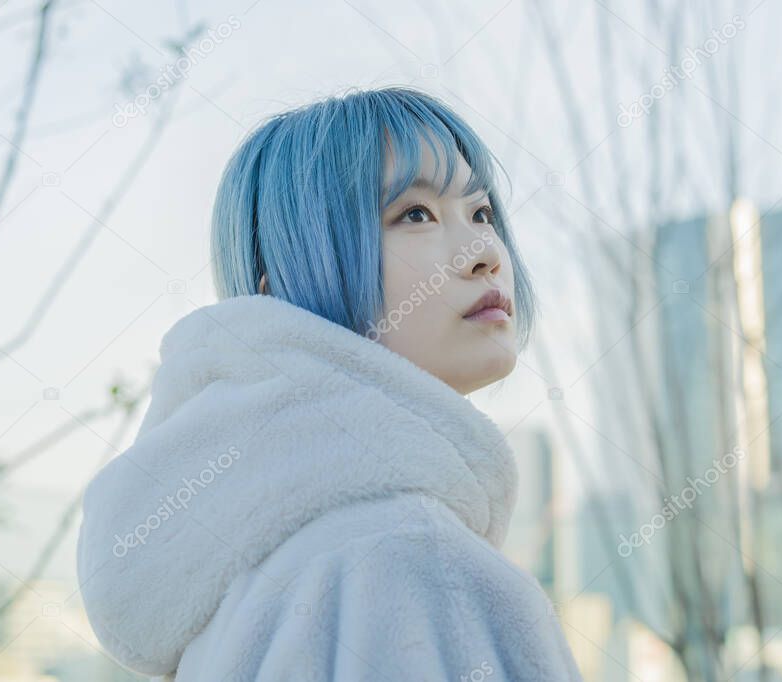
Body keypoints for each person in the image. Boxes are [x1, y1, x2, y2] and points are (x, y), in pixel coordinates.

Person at [76, 86, 583, 681]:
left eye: (481, 213)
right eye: (413, 214)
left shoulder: (246, 589)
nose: (484, 254)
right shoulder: (406, 556)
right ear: (280, 288)